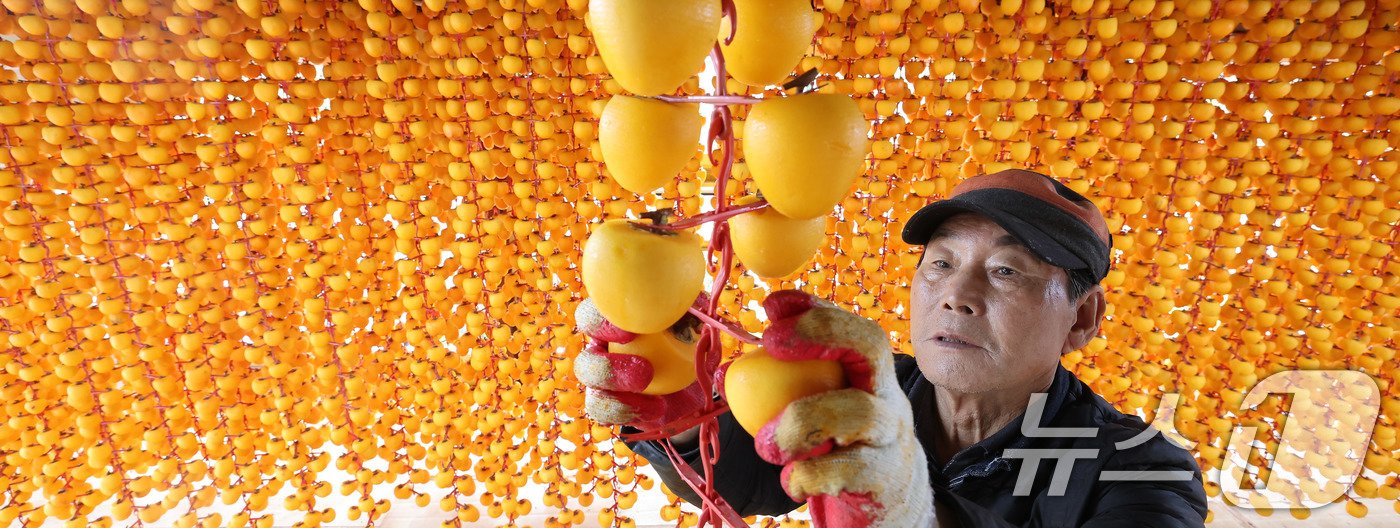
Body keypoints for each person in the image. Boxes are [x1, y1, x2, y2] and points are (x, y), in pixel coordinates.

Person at [574, 169, 1209, 527]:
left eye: (1008, 271)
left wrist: (911, 509)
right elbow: (753, 481)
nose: (956, 295)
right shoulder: (862, 393)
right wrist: (686, 419)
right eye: (940, 263)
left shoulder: (1143, 470)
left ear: (1082, 317)